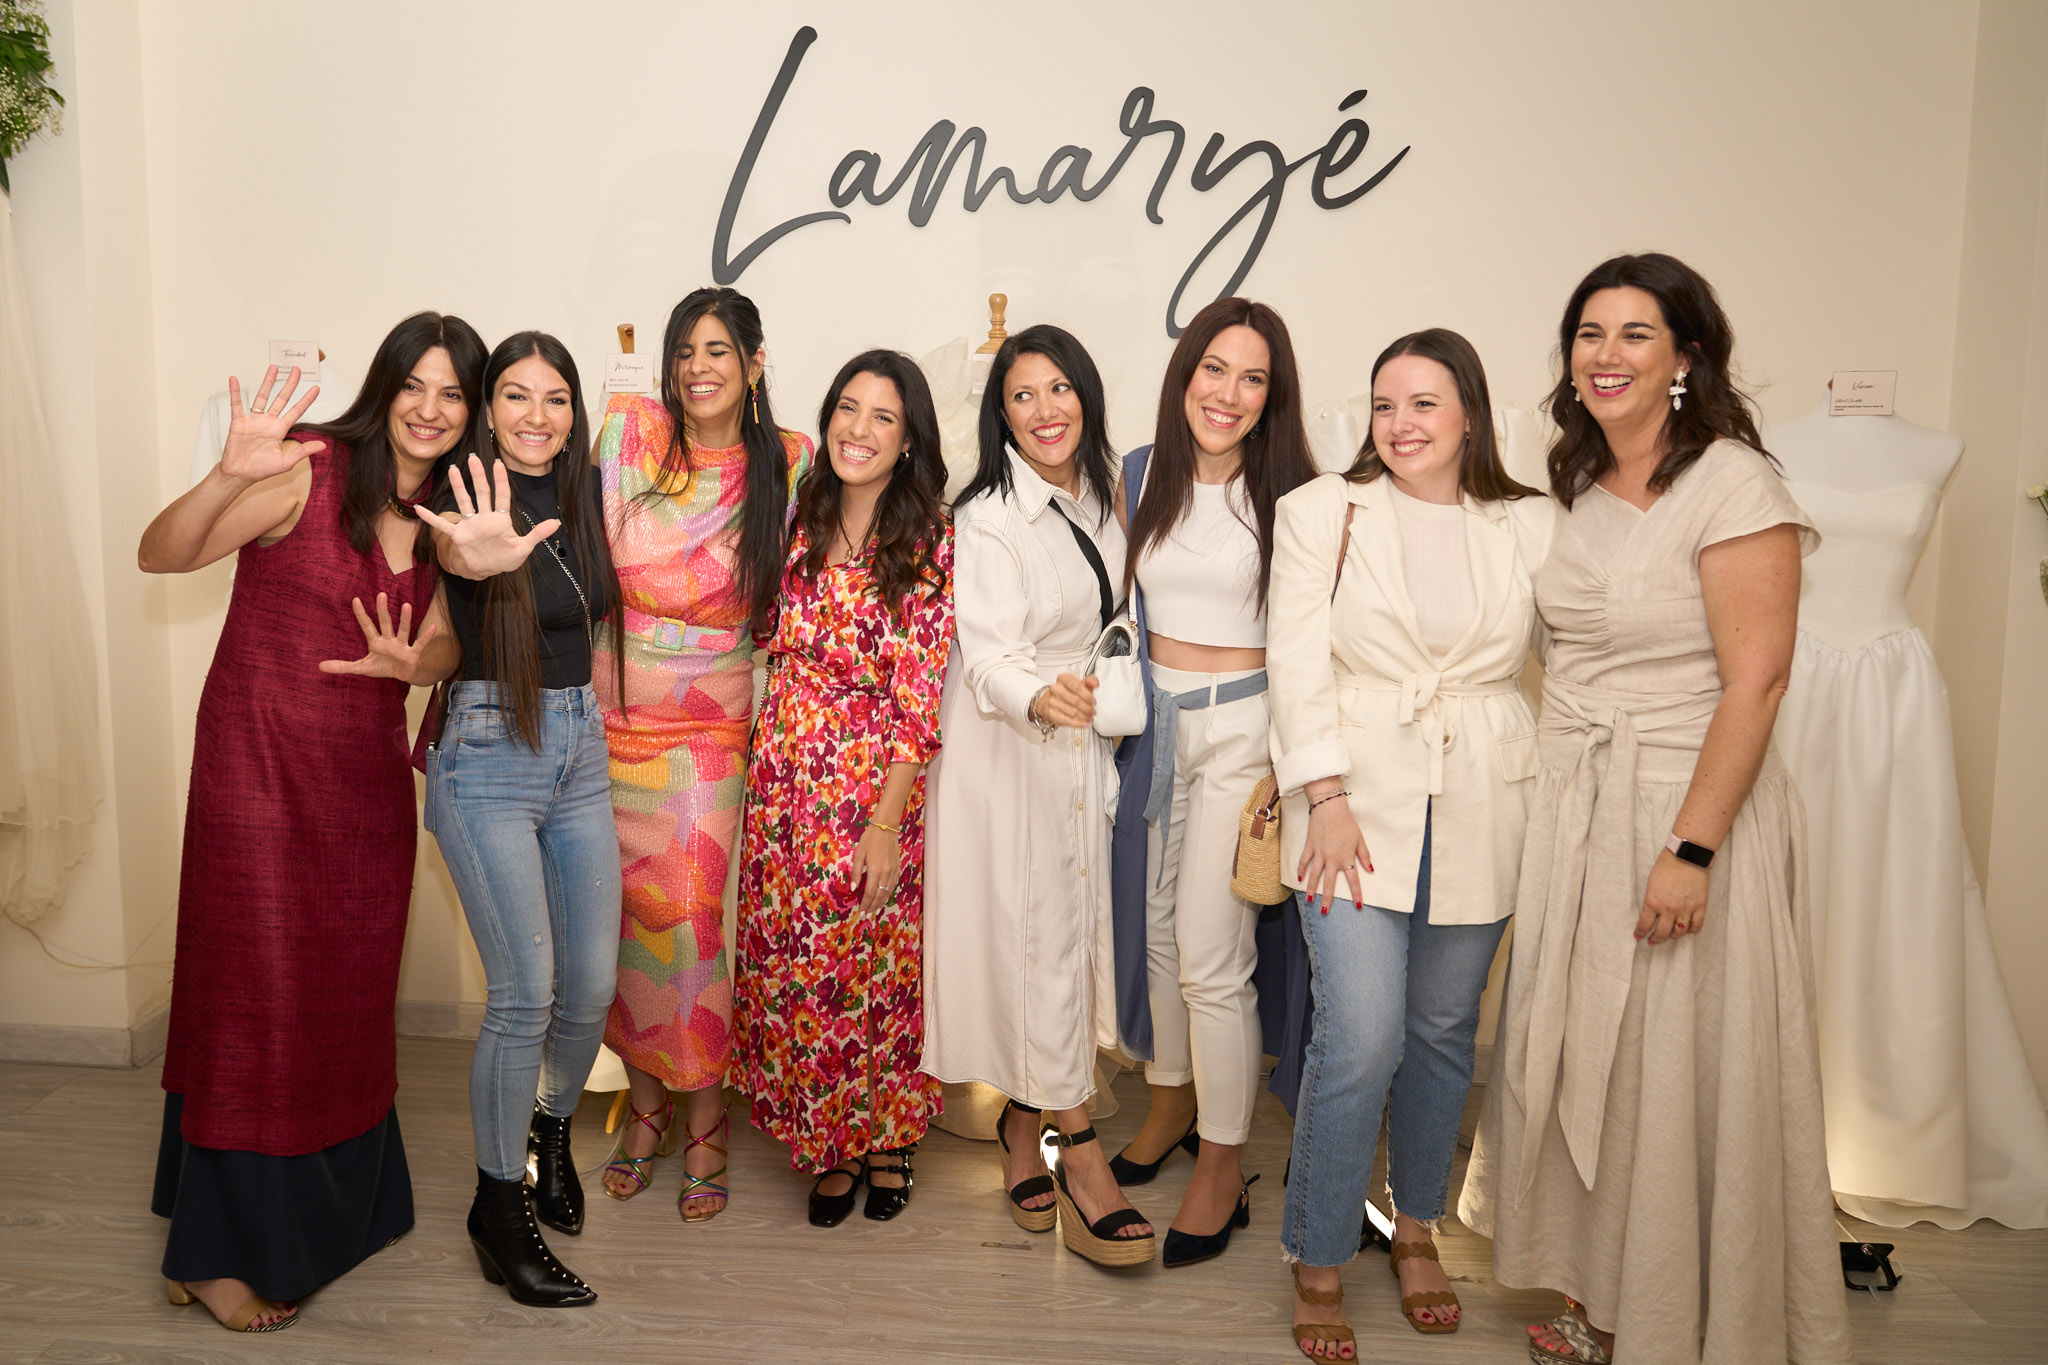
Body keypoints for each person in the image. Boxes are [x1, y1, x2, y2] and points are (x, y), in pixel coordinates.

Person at [1458, 254, 1854, 1365]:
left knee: (1679, 1067)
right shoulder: (1574, 486)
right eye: (1589, 333)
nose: (1606, 355)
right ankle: (1607, 1296)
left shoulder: (1732, 484)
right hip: (1580, 805)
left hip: (1688, 805)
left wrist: (1691, 848)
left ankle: (1691, 1314)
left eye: (1636, 334)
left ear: (1685, 357)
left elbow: (1757, 682)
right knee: (1600, 1056)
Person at [138, 312, 484, 1333]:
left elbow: (444, 645)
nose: (430, 409)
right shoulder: (306, 470)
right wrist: (225, 477)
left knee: (346, 990)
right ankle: (212, 1254)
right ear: (385, 387)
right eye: (414, 384)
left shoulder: (452, 516)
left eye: (452, 393)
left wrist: (413, 664)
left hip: (362, 778)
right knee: (258, 990)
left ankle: (338, 1213)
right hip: (257, 768)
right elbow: (161, 555)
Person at [1266, 329, 1551, 1359]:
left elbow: (1581, 654)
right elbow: (1293, 656)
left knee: (1441, 1032)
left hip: (1483, 798)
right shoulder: (1322, 510)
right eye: (1384, 404)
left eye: (1424, 403)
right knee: (1360, 1034)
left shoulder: (1530, 522)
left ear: (1470, 413)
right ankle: (1318, 1248)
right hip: (1348, 801)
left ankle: (1416, 1226)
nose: (1401, 424)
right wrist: (1325, 794)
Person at [922, 324, 1157, 1267]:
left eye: (1060, 388)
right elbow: (987, 657)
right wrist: (1039, 696)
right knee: (1038, 941)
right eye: (1023, 395)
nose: (1045, 409)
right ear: (1001, 414)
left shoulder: (1106, 494)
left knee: (1066, 940)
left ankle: (1023, 1125)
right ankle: (1079, 1152)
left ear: (1087, 396)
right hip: (1012, 749)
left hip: (1084, 743)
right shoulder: (989, 516)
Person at [593, 288, 810, 1221]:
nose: (697, 367)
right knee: (620, 920)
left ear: (754, 364)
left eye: (718, 350)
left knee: (685, 918)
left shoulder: (790, 461)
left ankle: (707, 1118)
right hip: (611, 716)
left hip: (712, 725)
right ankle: (647, 1112)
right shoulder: (630, 433)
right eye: (685, 350)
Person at [1108, 297, 1316, 1268]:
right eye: (1214, 369)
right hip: (1154, 723)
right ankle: (1170, 1105)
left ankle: (1223, 1162)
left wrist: (1288, 761)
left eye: (1252, 377)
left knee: (1209, 955)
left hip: (1245, 733)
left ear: (1273, 395)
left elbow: (1317, 638)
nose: (1227, 393)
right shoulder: (1139, 473)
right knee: (1152, 933)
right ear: (1185, 374)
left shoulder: (1297, 495)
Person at [420, 332, 624, 1307]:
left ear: (574, 412)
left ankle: (549, 1130)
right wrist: (470, 556)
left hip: (581, 745)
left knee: (589, 989)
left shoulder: (583, 490)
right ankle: (499, 1213)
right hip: (489, 747)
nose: (536, 416)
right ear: (486, 407)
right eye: (514, 395)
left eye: (555, 398)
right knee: (523, 994)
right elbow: (447, 560)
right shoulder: (462, 492)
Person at [731, 350, 954, 1227]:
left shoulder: (928, 537)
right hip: (785, 775)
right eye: (848, 409)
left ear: (909, 440)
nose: (859, 430)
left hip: (869, 781)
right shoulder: (801, 514)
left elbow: (920, 692)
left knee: (872, 960)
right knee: (798, 959)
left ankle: (886, 1134)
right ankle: (827, 1135)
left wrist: (886, 823)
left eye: (883, 417)